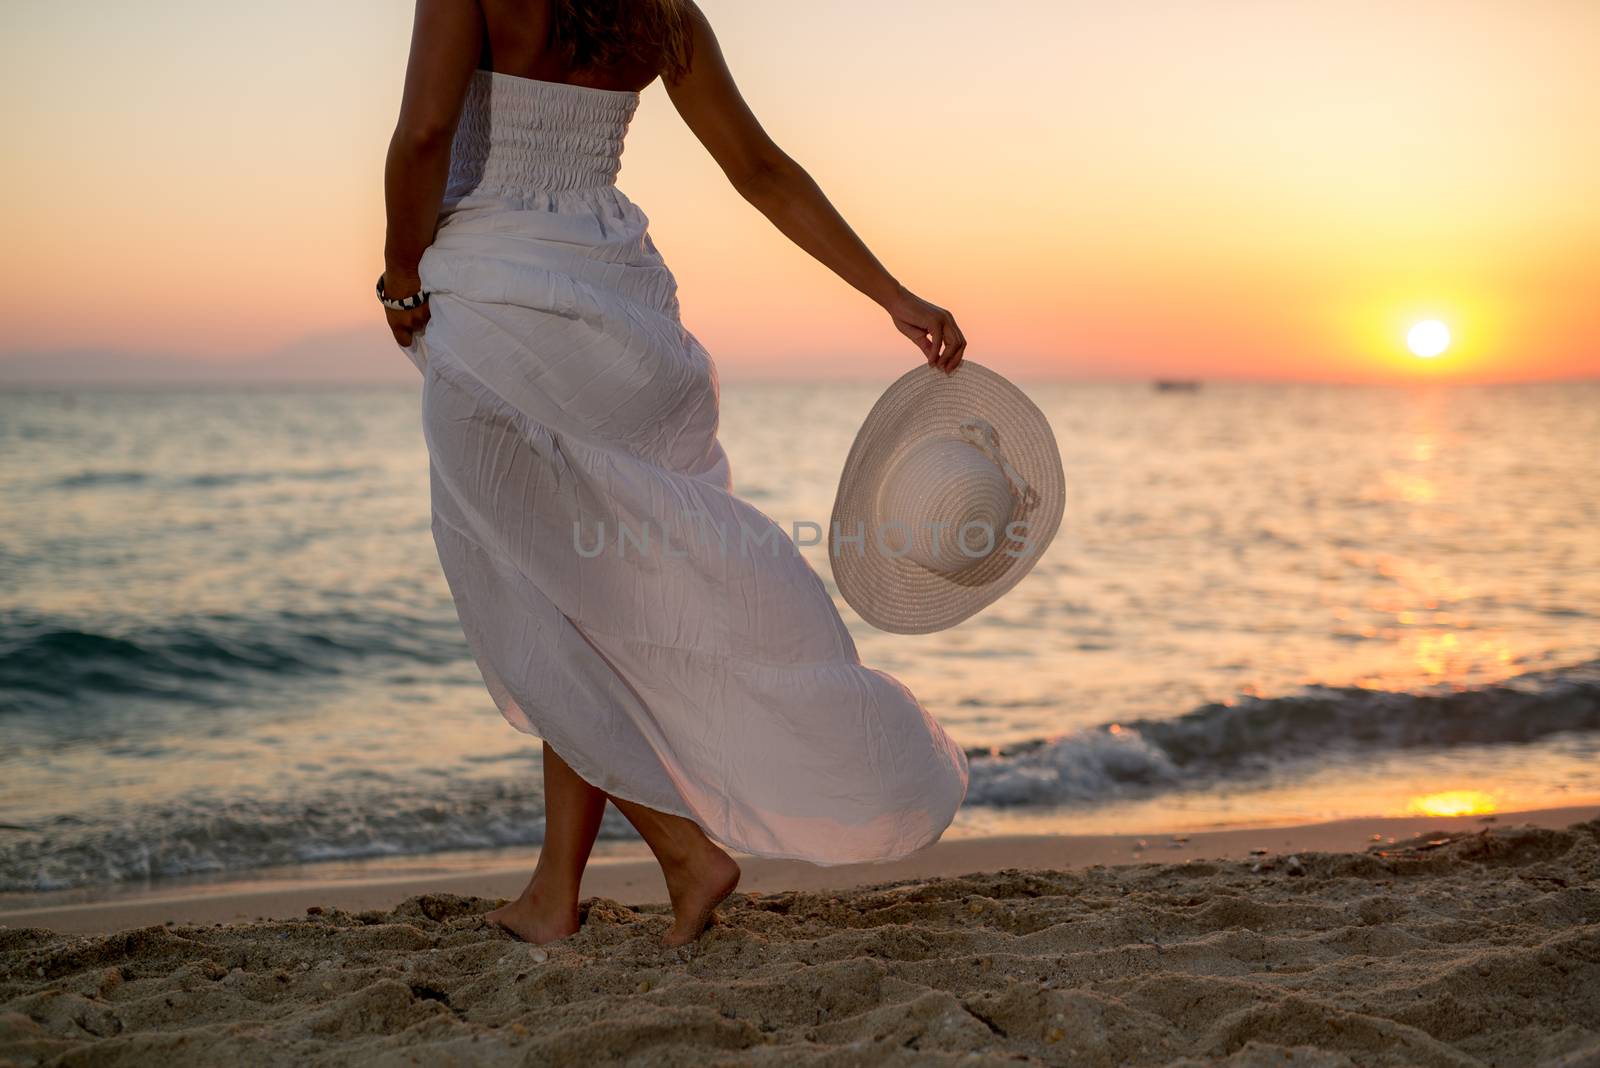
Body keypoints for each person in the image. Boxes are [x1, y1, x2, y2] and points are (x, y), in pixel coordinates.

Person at [381, 0, 970, 948]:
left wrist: (399, 271)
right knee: (589, 600)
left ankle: (682, 850)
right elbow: (762, 170)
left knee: (525, 600)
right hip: (625, 319)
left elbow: (423, 133)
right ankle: (552, 893)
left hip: (502, 307)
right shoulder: (659, 13)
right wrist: (892, 294)